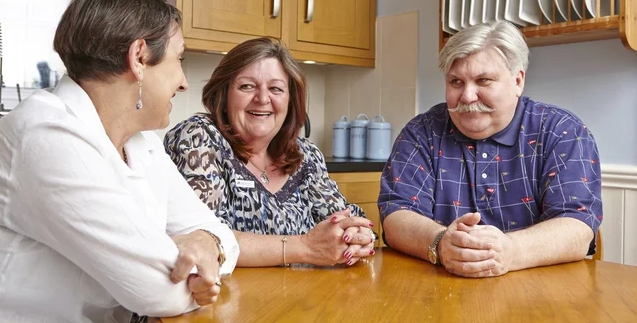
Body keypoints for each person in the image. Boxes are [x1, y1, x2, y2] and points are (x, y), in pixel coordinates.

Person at [0, 0, 239, 322]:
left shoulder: (141, 143)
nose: (185, 81)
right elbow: (156, 291)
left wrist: (207, 242)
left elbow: (223, 237)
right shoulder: (45, 137)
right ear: (140, 57)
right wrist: (198, 265)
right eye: (179, 59)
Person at [378, 21, 602, 278]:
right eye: (456, 82)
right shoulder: (421, 132)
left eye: (483, 80)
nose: (467, 96)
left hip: (541, 298)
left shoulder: (562, 131)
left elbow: (578, 226)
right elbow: (396, 214)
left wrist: (510, 251)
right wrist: (440, 242)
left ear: (518, 81)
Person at [164, 37, 375, 267]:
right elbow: (201, 237)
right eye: (247, 86)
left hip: (304, 298)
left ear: (290, 101)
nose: (263, 99)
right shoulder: (199, 138)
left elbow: (340, 217)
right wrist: (305, 247)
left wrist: (357, 236)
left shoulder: (306, 155)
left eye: (275, 88)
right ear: (223, 95)